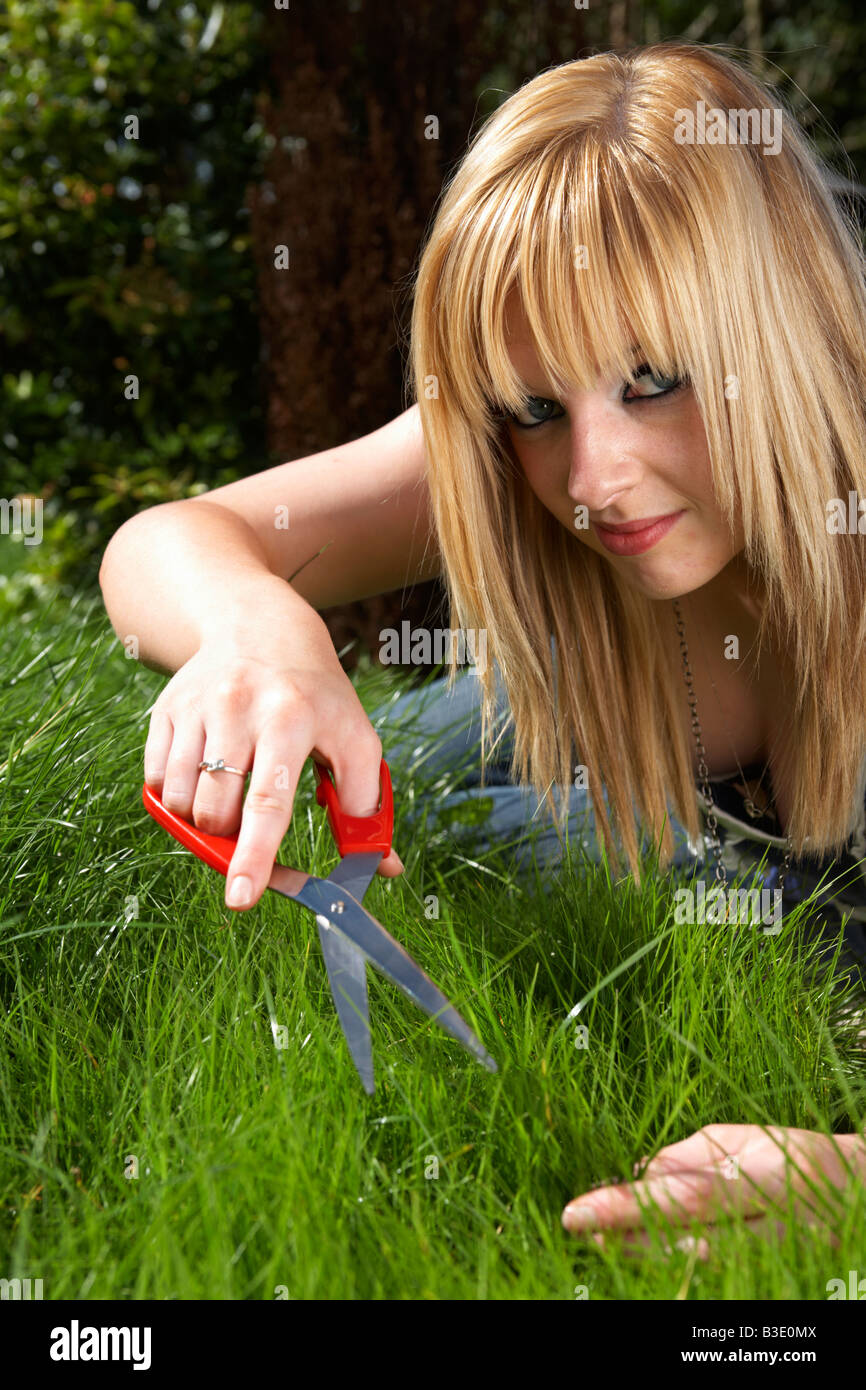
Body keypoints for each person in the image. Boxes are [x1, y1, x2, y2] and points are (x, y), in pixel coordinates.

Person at [99, 41, 865, 1254]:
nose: (593, 481)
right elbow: (169, 540)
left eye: (654, 379)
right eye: (532, 411)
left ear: (778, 330)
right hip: (529, 749)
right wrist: (260, 630)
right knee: (438, 794)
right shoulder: (531, 456)